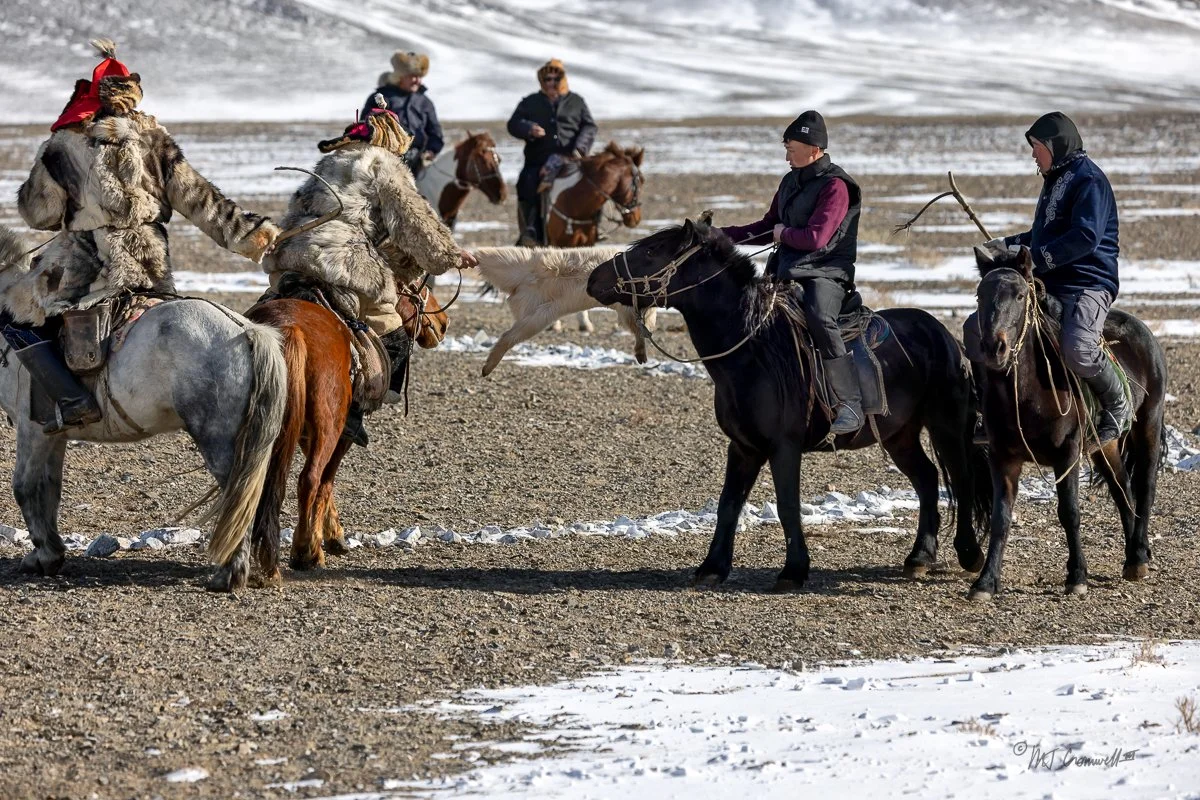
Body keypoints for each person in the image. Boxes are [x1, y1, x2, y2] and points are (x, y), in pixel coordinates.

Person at [3, 38, 279, 435]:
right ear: (134, 99)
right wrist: (258, 238)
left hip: (83, 269)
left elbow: (38, 215)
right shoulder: (157, 144)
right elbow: (205, 203)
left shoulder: (64, 146)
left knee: (15, 315)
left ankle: (70, 400)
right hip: (149, 267)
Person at [262, 95, 477, 445]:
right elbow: (412, 220)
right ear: (393, 142)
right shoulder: (385, 165)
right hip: (345, 264)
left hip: (293, 259)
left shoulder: (330, 164)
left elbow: (296, 208)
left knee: (259, 317)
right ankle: (351, 414)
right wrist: (448, 255)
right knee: (393, 337)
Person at [964, 111, 1128, 445]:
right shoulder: (1056, 180)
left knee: (1078, 347)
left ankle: (1117, 407)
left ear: (1056, 145)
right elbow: (1044, 233)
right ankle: (990, 408)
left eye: (1037, 146)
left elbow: (1085, 236)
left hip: (1087, 282)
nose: (1033, 154)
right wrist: (1009, 244)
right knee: (977, 328)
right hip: (1052, 281)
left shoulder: (1089, 181)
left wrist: (1035, 258)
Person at [720, 110, 865, 435]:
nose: (786, 155)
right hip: (787, 271)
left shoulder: (836, 187)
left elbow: (816, 238)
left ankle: (850, 404)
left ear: (814, 149)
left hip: (826, 273)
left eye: (791, 148)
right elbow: (767, 225)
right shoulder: (790, 181)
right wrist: (723, 236)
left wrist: (781, 235)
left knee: (818, 315)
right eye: (786, 148)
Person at [506, 59, 597, 246]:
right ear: (542, 80)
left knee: (597, 182)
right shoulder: (530, 102)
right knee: (527, 182)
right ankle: (531, 230)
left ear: (563, 79)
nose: (551, 83)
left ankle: (594, 227)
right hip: (538, 160)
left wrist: (579, 149)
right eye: (547, 79)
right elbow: (513, 124)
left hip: (572, 158)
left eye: (556, 78)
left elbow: (589, 126)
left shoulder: (576, 102)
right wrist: (528, 128)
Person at [363, 51, 443, 177]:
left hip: (419, 164)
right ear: (400, 76)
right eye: (412, 76)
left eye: (419, 77)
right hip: (386, 163)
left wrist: (431, 151)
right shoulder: (381, 97)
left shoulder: (425, 102)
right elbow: (367, 127)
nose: (417, 81)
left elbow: (435, 133)